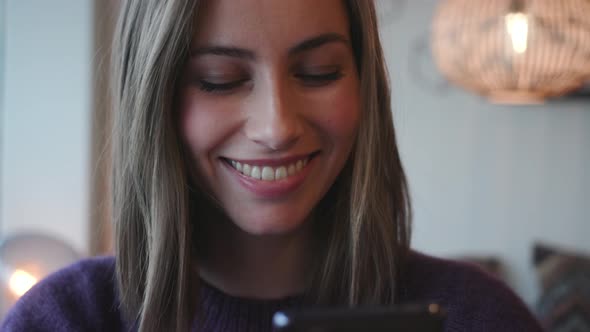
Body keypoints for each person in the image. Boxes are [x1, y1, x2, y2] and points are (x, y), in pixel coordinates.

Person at [2, 0, 543, 331]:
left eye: (317, 72)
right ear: (154, 99)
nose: (276, 124)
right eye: (220, 79)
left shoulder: (478, 317)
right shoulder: (65, 319)